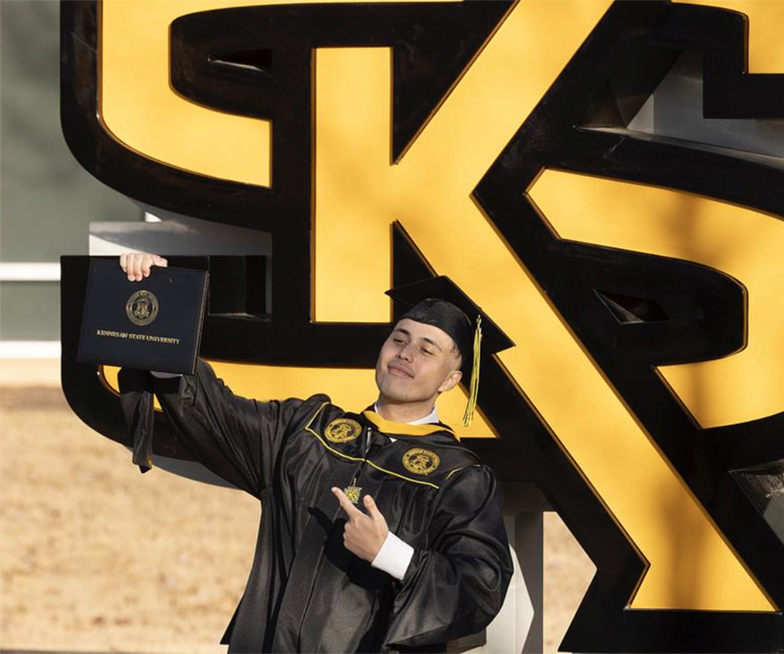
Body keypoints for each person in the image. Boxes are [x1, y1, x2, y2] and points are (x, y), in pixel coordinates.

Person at [116, 252, 513, 653]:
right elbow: (216, 413)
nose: (406, 353)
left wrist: (389, 554)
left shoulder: (459, 478)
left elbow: (480, 587)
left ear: (451, 380)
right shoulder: (306, 429)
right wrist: (163, 305)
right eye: (398, 339)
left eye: (427, 350)